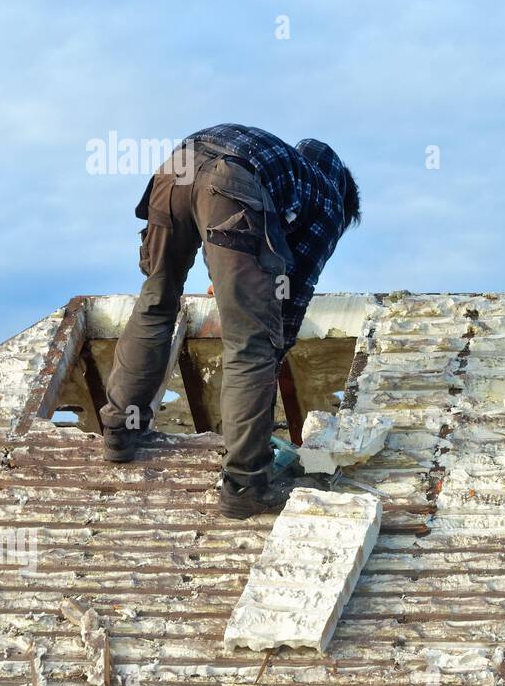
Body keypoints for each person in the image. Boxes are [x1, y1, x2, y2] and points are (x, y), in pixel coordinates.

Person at [98, 124, 360, 519]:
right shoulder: (328, 199)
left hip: (178, 166)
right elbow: (295, 286)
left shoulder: (283, 166)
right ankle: (245, 484)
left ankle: (119, 432)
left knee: (156, 300)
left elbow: (229, 234)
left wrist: (232, 285)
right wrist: (272, 339)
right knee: (251, 345)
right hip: (227, 181)